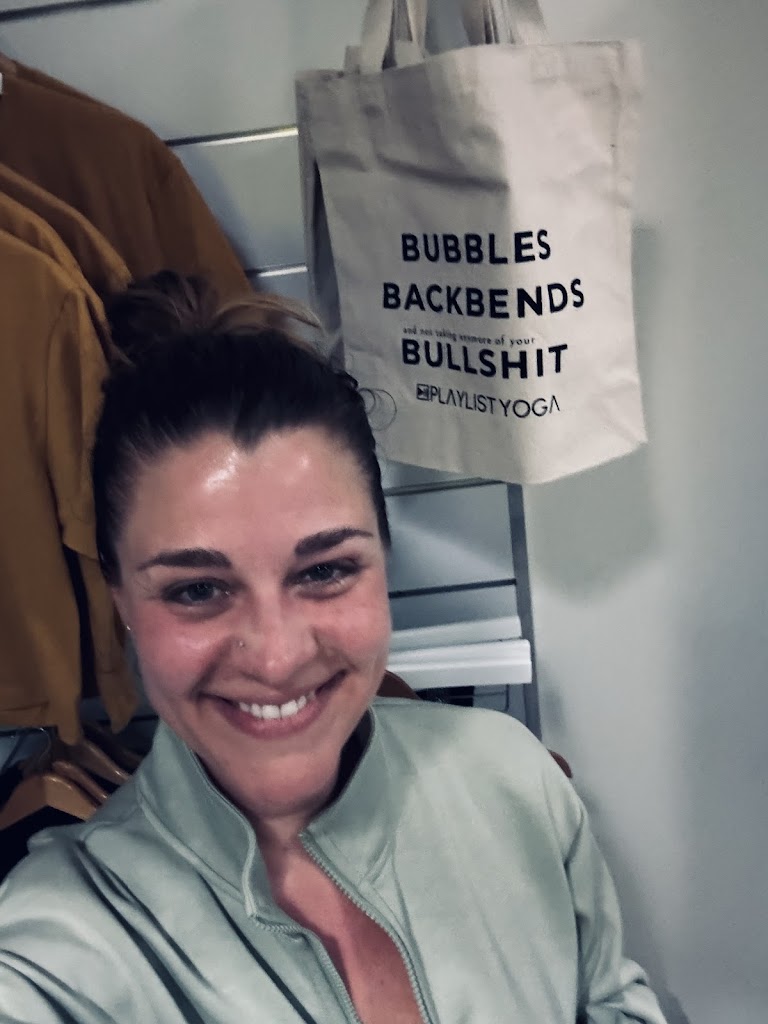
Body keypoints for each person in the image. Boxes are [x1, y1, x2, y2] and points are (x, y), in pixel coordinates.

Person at [0, 273, 668, 1024]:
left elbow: (612, 1001)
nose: (277, 657)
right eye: (197, 589)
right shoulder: (58, 946)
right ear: (122, 599)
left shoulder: (513, 777)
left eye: (323, 571)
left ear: (384, 560)